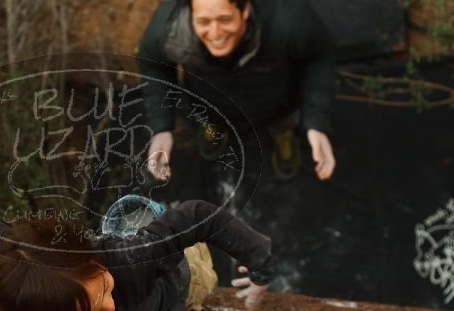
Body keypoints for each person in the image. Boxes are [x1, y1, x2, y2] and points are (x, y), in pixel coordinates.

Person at [0, 199, 278, 311]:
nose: (109, 307)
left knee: (167, 250)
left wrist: (260, 264)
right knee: (125, 236)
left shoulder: (134, 259)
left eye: (103, 291)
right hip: (113, 256)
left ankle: (146, 212)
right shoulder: (34, 296)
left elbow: (199, 215)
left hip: (176, 279)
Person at [138, 0, 337, 182]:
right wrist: (161, 127)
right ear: (191, 13)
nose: (215, 34)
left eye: (225, 20)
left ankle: (283, 136)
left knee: (283, 123)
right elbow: (154, 66)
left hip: (278, 103)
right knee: (210, 117)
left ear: (245, 10)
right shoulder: (170, 29)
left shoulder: (288, 21)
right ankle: (214, 129)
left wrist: (317, 121)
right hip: (208, 101)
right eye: (203, 21)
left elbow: (319, 56)